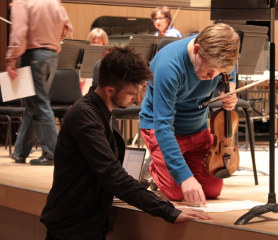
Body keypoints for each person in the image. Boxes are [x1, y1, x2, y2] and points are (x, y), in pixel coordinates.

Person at [40, 46, 210, 240]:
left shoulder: (102, 112)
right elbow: (112, 174)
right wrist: (168, 210)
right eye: (132, 93)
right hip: (71, 227)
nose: (137, 99)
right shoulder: (84, 116)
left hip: (87, 222)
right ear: (110, 90)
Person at [139, 23, 240, 206]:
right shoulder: (168, 67)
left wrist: (229, 90)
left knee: (212, 191)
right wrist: (185, 177)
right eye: (210, 71)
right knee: (177, 193)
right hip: (162, 131)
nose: (213, 76)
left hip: (198, 129)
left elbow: (230, 77)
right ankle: (153, 167)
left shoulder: (221, 57)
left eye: (218, 72)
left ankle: (172, 163)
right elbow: (163, 127)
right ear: (196, 50)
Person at [6, 0, 73, 165]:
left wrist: (11, 59)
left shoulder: (23, 1)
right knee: (33, 105)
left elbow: (19, 32)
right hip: (51, 56)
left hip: (33, 55)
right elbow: (68, 26)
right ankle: (20, 152)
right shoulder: (54, 1)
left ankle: (53, 153)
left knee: (40, 104)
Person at [81, 28, 109, 94]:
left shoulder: (109, 58)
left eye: (98, 42)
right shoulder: (83, 55)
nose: (95, 45)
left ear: (104, 44)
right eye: (93, 42)